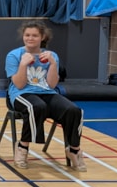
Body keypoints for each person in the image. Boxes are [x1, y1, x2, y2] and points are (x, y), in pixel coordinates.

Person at [5, 20, 86, 171]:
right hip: (22, 93)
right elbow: (19, 84)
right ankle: (22, 148)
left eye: (34, 35)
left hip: (47, 92)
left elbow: (52, 85)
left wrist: (53, 64)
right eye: (27, 35)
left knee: (75, 111)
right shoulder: (14, 55)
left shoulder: (51, 55)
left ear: (42, 37)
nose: (30, 38)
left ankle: (74, 150)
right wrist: (23, 64)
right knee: (36, 107)